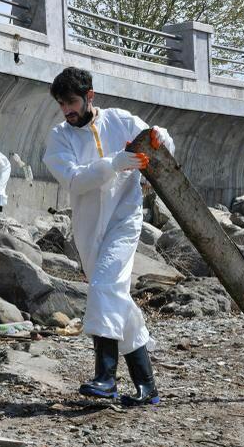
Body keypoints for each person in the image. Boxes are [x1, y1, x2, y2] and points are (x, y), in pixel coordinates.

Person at [43, 67, 174, 406]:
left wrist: (159, 138)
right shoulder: (59, 137)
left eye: (72, 102)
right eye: (61, 104)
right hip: (87, 228)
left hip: (124, 220)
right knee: (115, 295)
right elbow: (73, 180)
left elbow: (159, 142)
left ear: (90, 96)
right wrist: (114, 163)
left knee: (104, 285)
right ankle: (147, 386)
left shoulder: (120, 121)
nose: (67, 110)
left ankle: (105, 378)